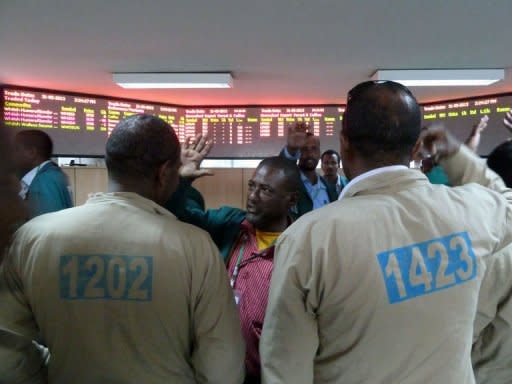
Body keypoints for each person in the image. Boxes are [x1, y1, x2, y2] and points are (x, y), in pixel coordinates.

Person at [260, 80, 512, 384]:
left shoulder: (309, 239)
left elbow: (285, 370)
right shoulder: (471, 211)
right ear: (417, 146)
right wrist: (455, 153)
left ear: (344, 143)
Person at [0, 114, 245, 383]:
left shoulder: (33, 237)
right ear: (164, 173)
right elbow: (222, 361)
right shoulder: (195, 247)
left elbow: (8, 346)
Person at [166, 145, 301, 384]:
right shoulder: (231, 224)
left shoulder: (302, 244)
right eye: (252, 186)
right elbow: (180, 216)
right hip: (220, 373)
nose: (252, 196)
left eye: (265, 190)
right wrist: (181, 182)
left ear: (291, 200)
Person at [279, 123, 338, 218]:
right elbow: (282, 168)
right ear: (298, 152)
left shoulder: (329, 188)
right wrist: (291, 148)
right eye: (304, 149)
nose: (310, 154)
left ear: (320, 153)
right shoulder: (289, 182)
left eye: (314, 149)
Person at [14, 129, 73, 218]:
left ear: (31, 152)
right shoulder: (53, 175)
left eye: (15, 149)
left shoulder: (43, 182)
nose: (10, 155)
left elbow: (47, 229)